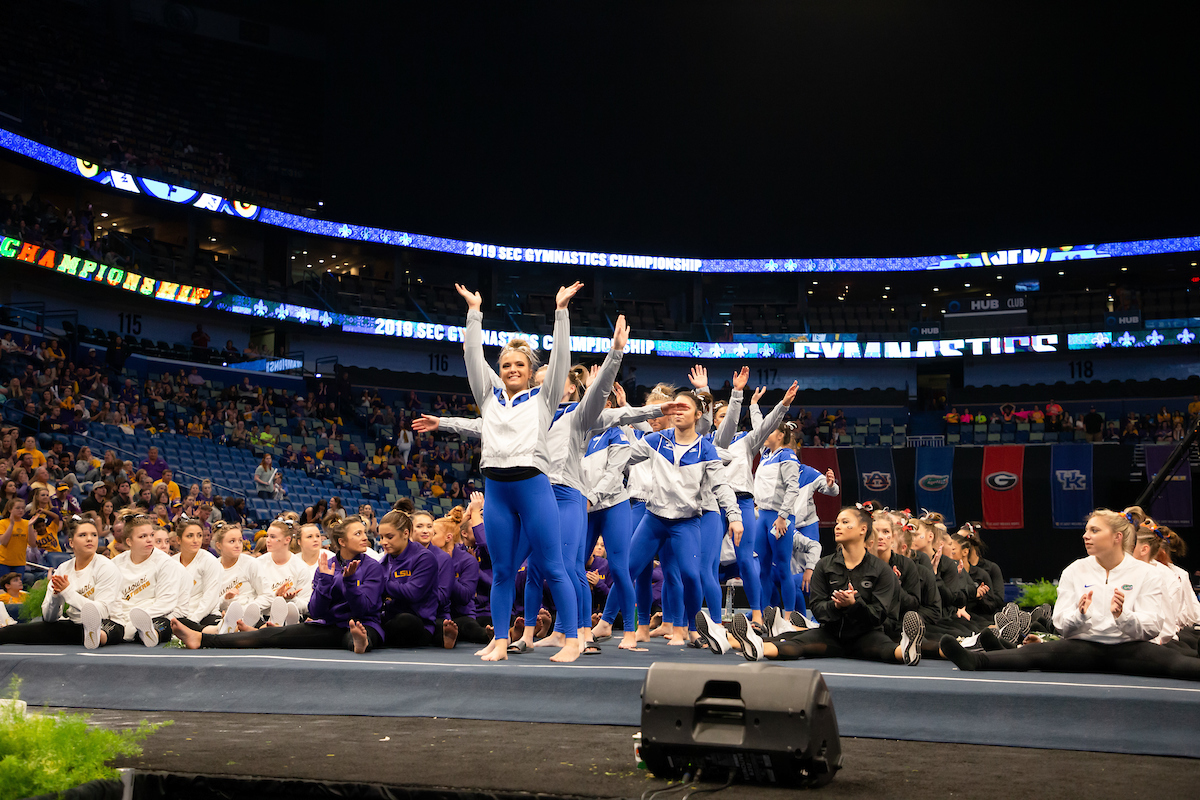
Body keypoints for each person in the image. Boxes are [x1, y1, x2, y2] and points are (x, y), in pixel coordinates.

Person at [449, 281, 583, 663]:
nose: (511, 369)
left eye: (518, 365)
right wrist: (474, 313)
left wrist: (560, 312)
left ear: (530, 371)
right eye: (505, 365)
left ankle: (571, 639)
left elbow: (560, 357)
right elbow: (473, 359)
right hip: (497, 489)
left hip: (533, 487)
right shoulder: (488, 398)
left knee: (554, 565)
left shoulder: (544, 399)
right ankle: (499, 641)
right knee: (503, 569)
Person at [942, 507, 1200, 681]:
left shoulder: (1146, 574)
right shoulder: (1075, 571)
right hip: (1083, 648)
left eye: (1095, 531)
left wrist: (1123, 617)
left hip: (1131, 649)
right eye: (1086, 530)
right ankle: (976, 661)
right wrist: (1079, 615)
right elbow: (1062, 625)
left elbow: (1153, 627)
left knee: (1179, 665)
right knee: (1030, 655)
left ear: (1117, 537)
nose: (1086, 536)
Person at [728, 506, 924, 667]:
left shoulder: (881, 569)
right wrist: (837, 606)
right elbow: (819, 610)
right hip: (831, 634)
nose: (838, 526)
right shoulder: (825, 565)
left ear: (863, 530)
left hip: (866, 635)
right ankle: (756, 647)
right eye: (837, 522)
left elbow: (879, 615)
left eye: (845, 522)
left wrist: (854, 604)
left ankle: (907, 650)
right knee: (798, 646)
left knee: (886, 649)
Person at [172, 515, 385, 654]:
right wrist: (327, 580)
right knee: (268, 635)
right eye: (358, 533)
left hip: (364, 623)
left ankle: (359, 643)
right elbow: (316, 610)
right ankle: (202, 638)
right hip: (329, 625)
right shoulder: (326, 565)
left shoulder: (372, 567)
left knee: (356, 634)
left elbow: (363, 609)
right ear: (342, 542)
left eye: (364, 533)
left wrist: (349, 583)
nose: (365, 537)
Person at [0, 516, 123, 647]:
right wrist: (55, 596)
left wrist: (67, 592)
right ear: (71, 543)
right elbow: (49, 618)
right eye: (82, 535)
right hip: (74, 624)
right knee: (13, 632)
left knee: (108, 630)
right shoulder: (63, 569)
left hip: (107, 622)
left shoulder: (106, 566)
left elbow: (102, 612)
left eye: (94, 535)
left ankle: (95, 636)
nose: (89, 539)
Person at [112, 513, 186, 646]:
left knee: (165, 624)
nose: (149, 540)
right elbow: (112, 598)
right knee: (107, 624)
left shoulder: (166, 563)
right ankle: (104, 635)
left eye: (151, 535)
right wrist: (120, 619)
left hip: (152, 617)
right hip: (120, 618)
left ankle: (147, 634)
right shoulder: (115, 563)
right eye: (142, 536)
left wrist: (135, 620)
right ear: (129, 542)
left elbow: (165, 603)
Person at [377, 509, 438, 648]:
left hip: (419, 623)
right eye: (381, 537)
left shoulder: (424, 558)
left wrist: (380, 583)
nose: (383, 542)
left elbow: (412, 593)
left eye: (389, 537)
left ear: (405, 533)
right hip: (389, 618)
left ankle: (375, 637)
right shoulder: (383, 562)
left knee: (405, 621)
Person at [251, 519, 311, 626]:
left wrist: (291, 599)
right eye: (267, 536)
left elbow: (307, 605)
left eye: (273, 537)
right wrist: (276, 597)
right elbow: (252, 597)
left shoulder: (300, 567)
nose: (267, 540)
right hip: (262, 617)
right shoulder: (257, 564)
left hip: (290, 619)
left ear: (287, 540)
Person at [172, 516, 224, 632]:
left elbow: (209, 598)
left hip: (206, 615)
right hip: (179, 615)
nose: (196, 540)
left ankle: (220, 629)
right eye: (190, 536)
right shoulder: (172, 563)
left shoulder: (210, 561)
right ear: (179, 540)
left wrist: (193, 620)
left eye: (199, 535)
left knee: (213, 627)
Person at [0, 498, 30, 581]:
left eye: (23, 508)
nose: (21, 510)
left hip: (19, 563)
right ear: (10, 509)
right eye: (17, 508)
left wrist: (30, 527)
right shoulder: (2, 523)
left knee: (17, 588)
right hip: (3, 562)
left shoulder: (27, 523)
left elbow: (33, 544)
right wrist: (11, 524)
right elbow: (4, 542)